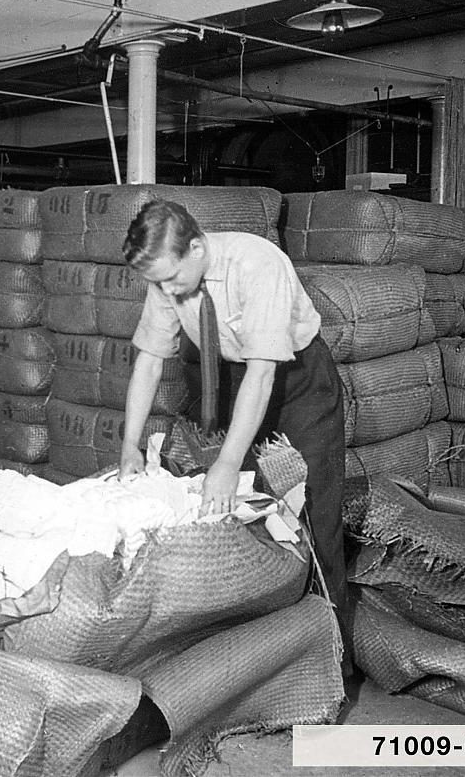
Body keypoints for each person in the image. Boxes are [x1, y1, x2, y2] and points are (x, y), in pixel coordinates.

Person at [119, 198, 351, 661]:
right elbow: (148, 361)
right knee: (237, 516)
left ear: (198, 248)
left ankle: (330, 657)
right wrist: (129, 443)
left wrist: (227, 463)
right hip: (225, 377)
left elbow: (263, 374)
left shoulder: (259, 264)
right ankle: (256, 650)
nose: (166, 290)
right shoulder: (168, 279)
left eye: (170, 278)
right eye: (157, 283)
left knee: (312, 512)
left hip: (295, 381)